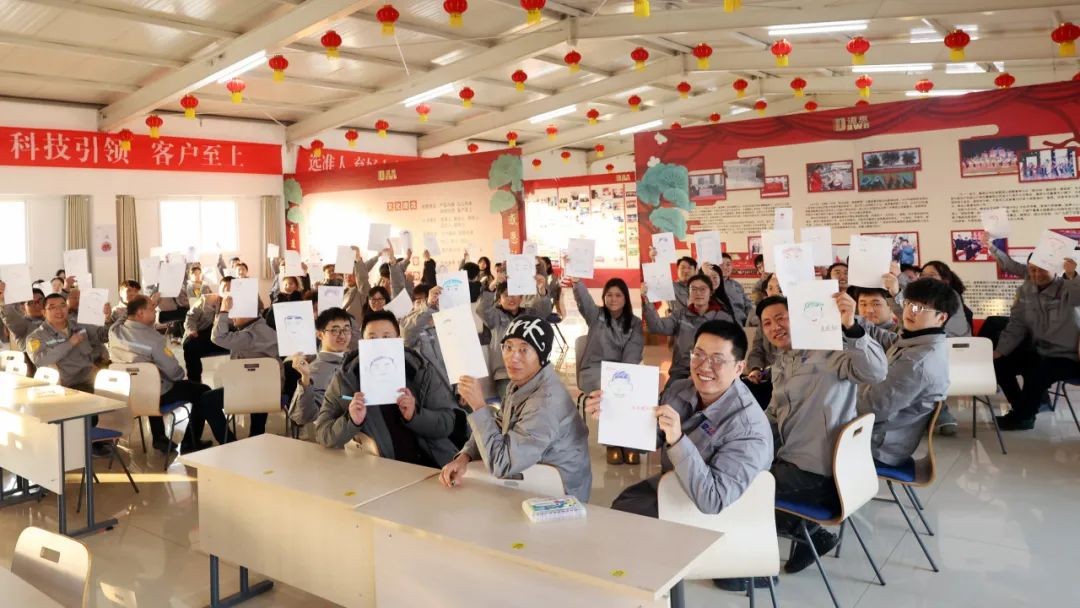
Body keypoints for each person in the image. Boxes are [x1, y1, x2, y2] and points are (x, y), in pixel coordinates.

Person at [757, 293, 887, 574]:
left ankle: (753, 567)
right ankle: (807, 532)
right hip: (793, 461)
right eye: (767, 323)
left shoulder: (830, 352)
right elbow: (774, 413)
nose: (775, 327)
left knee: (742, 491)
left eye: (781, 318)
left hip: (820, 475)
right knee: (739, 471)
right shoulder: (781, 361)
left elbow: (876, 372)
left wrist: (851, 327)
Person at [439, 315, 592, 502]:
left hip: (559, 494)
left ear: (542, 355)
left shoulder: (545, 403)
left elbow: (502, 464)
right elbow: (499, 422)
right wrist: (464, 457)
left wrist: (478, 406)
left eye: (524, 349)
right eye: (508, 347)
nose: (513, 357)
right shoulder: (522, 382)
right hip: (533, 472)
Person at [315, 311, 458, 467]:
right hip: (382, 472)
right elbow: (323, 434)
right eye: (372, 338)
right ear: (362, 342)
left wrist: (415, 415)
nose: (379, 344)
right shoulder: (346, 379)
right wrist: (351, 420)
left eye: (386, 337)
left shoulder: (421, 371)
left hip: (433, 467)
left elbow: (447, 423)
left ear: (398, 340)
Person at [856, 279, 956, 466]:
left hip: (878, 444)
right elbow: (889, 340)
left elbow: (868, 408)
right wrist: (852, 323)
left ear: (941, 318)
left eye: (920, 308)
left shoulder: (917, 362)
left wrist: (846, 386)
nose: (910, 311)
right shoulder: (923, 340)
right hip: (886, 433)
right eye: (909, 303)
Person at [108, 295, 213, 452]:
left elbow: (125, 316)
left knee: (149, 381)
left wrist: (140, 305)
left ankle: (159, 437)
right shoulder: (154, 340)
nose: (156, 310)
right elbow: (175, 373)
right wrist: (179, 375)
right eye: (152, 308)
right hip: (154, 396)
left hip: (126, 395)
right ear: (140, 313)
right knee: (203, 391)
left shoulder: (114, 331)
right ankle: (190, 442)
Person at [992, 254, 1080, 430]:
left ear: (1055, 268)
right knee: (1000, 363)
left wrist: (1072, 275)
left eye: (1042, 269)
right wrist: (1000, 351)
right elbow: (1016, 324)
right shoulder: (1025, 291)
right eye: (1032, 269)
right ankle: (1023, 409)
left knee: (1039, 373)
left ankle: (1023, 416)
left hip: (1071, 356)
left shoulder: (1069, 287)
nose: (1037, 274)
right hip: (1041, 350)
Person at [883, 260, 970, 436]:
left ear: (945, 279)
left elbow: (919, 319)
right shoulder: (922, 312)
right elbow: (911, 315)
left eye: (931, 275)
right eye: (922, 275)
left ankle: (939, 413)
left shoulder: (946, 299)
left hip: (952, 353)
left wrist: (898, 282)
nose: (925, 278)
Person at [568, 276, 644, 465]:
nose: (613, 299)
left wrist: (623, 375)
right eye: (609, 295)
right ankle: (612, 443)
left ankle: (630, 441)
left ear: (625, 298)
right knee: (609, 391)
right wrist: (577, 283)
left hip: (622, 370)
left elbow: (634, 350)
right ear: (603, 297)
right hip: (594, 370)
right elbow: (584, 300)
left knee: (631, 388)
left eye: (618, 295)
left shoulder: (634, 322)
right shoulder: (596, 315)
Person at [198, 277, 279, 442]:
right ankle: (257, 434)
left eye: (234, 313)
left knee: (206, 400)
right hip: (270, 391)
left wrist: (223, 311)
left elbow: (217, 337)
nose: (231, 318)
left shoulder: (249, 336)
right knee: (258, 379)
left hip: (249, 391)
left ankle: (228, 442)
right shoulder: (266, 329)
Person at [644, 274, 735, 389]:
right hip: (681, 371)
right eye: (694, 289)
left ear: (711, 292)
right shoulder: (680, 315)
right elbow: (657, 327)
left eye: (703, 289)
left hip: (711, 372)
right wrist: (647, 302)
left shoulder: (723, 318)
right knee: (667, 397)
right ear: (689, 292)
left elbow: (728, 350)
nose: (698, 293)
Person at [478, 274, 553, 398]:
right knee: (512, 403)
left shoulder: (528, 314)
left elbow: (544, 311)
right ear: (499, 299)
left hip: (530, 372)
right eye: (505, 295)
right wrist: (492, 285)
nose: (511, 298)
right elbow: (482, 309)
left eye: (514, 294)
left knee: (540, 400)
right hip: (505, 373)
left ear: (521, 297)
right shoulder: (495, 316)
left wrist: (541, 289)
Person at [25, 293, 112, 392]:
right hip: (65, 385)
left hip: (90, 377)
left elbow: (103, 337)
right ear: (44, 312)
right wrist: (70, 343)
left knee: (117, 389)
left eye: (63, 306)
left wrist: (107, 319)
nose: (59, 310)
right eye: (52, 307)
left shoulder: (78, 325)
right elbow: (40, 360)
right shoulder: (36, 337)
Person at [288, 307, 353, 439]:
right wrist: (306, 379)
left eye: (346, 329)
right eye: (334, 330)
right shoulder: (316, 370)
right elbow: (303, 417)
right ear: (320, 334)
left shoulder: (355, 360)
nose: (342, 335)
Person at [0, 284, 45, 351]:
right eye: (31, 303)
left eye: (40, 300)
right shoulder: (23, 325)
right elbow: (11, 315)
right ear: (23, 307)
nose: (37, 305)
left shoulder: (54, 319)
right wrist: (3, 300)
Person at [719, 253, 753, 326]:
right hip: (723, 323)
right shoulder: (711, 285)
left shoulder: (737, 285)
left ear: (732, 266)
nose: (725, 267)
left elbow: (748, 304)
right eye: (721, 265)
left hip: (743, 323)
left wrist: (751, 318)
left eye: (728, 265)